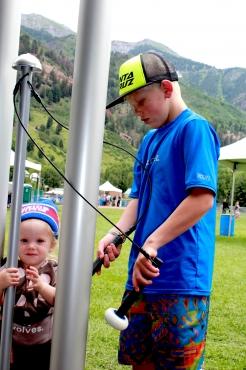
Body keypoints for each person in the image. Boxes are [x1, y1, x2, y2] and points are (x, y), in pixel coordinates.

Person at [98, 52, 220, 370]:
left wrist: (151, 243)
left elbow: (202, 198)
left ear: (166, 88)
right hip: (140, 279)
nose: (137, 112)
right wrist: (115, 234)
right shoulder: (149, 141)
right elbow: (138, 200)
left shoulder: (194, 129)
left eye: (141, 101)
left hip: (180, 279)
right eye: (131, 106)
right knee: (142, 363)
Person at [0, 200, 59, 370]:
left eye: (40, 241)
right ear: (14, 242)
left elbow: (59, 300)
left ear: (51, 245)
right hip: (11, 341)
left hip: (44, 342)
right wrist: (1, 283)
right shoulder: (9, 266)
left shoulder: (54, 269)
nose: (31, 246)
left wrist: (42, 286)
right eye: (24, 240)